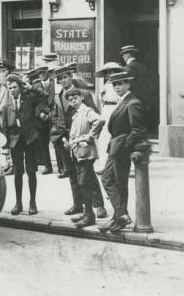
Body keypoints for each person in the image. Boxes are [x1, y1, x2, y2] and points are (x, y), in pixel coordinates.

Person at [52, 65, 107, 219]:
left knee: (88, 174)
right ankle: (78, 204)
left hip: (82, 140)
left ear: (71, 77)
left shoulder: (82, 94)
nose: (63, 81)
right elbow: (56, 115)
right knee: (72, 173)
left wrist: (88, 136)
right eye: (60, 79)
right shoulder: (58, 96)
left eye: (65, 77)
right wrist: (57, 130)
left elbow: (94, 114)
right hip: (65, 140)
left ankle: (99, 205)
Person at [98, 71, 146, 233]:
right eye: (115, 85)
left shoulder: (132, 103)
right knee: (109, 180)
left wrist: (124, 145)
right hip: (115, 148)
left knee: (118, 183)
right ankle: (120, 215)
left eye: (120, 84)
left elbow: (137, 130)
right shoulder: (124, 101)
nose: (117, 87)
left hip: (121, 149)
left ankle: (119, 218)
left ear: (128, 84)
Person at [64, 88, 106, 229]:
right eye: (70, 100)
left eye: (75, 98)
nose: (73, 101)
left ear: (82, 97)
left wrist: (90, 136)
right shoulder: (76, 114)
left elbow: (99, 120)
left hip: (86, 153)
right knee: (82, 183)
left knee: (84, 182)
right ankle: (86, 213)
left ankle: (89, 216)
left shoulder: (86, 110)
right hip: (78, 153)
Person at [5, 74, 43, 215]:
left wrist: (31, 87)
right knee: (18, 173)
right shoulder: (7, 104)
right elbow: (4, 125)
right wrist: (5, 145)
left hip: (30, 138)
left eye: (15, 87)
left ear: (20, 87)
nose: (12, 90)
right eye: (10, 88)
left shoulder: (29, 98)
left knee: (31, 171)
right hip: (15, 140)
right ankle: (18, 203)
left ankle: (32, 202)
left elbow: (44, 96)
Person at [94, 61, 125, 173]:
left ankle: (117, 167)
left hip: (115, 109)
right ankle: (104, 165)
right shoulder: (105, 85)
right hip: (106, 110)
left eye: (111, 72)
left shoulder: (119, 85)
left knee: (116, 137)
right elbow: (101, 100)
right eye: (107, 73)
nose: (108, 75)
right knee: (103, 137)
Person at [27, 67, 52, 174]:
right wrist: (39, 113)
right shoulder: (35, 86)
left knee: (57, 142)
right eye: (40, 74)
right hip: (40, 119)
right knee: (42, 144)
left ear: (48, 73)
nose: (42, 75)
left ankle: (62, 167)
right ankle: (47, 166)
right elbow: (33, 104)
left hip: (53, 116)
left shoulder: (54, 84)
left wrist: (51, 113)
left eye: (44, 73)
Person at [120, 45, 149, 109]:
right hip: (143, 100)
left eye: (123, 54)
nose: (122, 56)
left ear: (128, 54)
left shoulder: (126, 68)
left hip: (131, 101)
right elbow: (147, 86)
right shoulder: (143, 67)